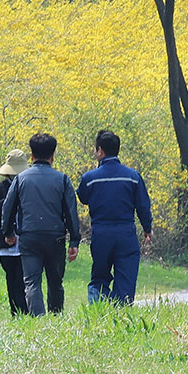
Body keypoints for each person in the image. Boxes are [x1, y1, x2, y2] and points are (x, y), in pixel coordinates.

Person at [0, 133, 80, 316]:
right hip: (56, 238)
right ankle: (55, 316)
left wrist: (9, 232)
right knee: (55, 282)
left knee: (31, 281)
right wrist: (74, 240)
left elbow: (8, 207)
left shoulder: (21, 179)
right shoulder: (62, 179)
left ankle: (38, 319)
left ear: (32, 156)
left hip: (29, 236)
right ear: (52, 156)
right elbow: (71, 211)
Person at [77, 130, 153, 305]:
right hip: (126, 232)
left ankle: (98, 312)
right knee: (126, 277)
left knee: (100, 276)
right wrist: (147, 228)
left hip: (101, 232)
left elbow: (83, 197)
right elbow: (142, 205)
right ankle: (121, 313)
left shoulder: (89, 178)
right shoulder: (133, 177)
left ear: (100, 151)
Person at [0, 149, 29, 316]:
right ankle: (16, 314)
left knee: (24, 280)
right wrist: (9, 199)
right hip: (6, 245)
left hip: (25, 242)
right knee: (12, 280)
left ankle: (27, 314)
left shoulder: (29, 186)